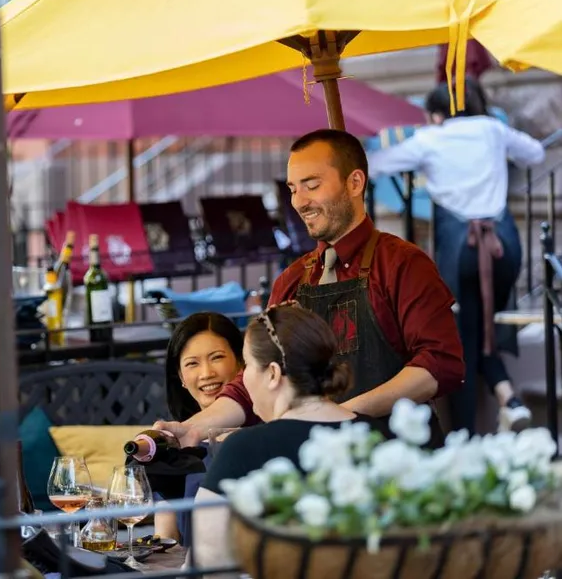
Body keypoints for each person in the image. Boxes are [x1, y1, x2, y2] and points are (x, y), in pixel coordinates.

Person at [155, 129, 464, 445]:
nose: (299, 202)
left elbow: (440, 364)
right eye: (293, 189)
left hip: (399, 453)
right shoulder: (291, 280)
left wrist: (342, 415)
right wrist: (192, 428)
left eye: (312, 185)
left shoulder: (403, 263)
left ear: (355, 183)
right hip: (314, 457)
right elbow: (258, 376)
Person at [368, 79, 544, 433]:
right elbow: (535, 154)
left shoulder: (430, 138)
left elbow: (376, 165)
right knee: (484, 327)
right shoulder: (493, 129)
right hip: (504, 245)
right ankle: (508, 398)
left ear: (436, 114)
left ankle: (465, 434)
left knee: (461, 338)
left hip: (459, 247)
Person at [188, 303, 389, 569]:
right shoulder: (375, 435)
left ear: (272, 374)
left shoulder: (244, 448)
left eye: (247, 365)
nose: (243, 377)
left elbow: (209, 558)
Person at [154, 312, 244, 545]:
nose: (206, 374)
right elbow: (166, 538)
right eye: (192, 363)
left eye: (217, 358)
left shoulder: (260, 437)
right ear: (181, 377)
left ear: (241, 363)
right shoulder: (175, 446)